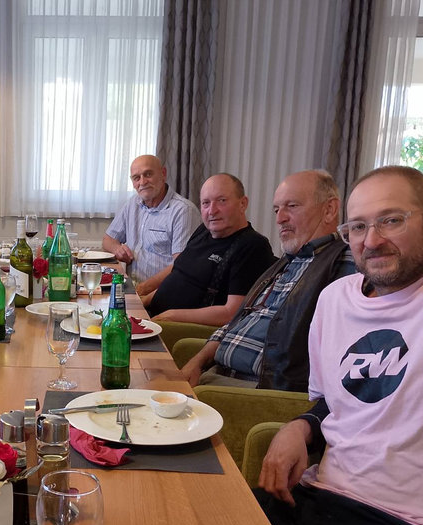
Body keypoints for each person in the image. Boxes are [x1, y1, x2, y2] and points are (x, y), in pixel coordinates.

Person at [256, 165, 423, 525]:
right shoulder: (334, 300)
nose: (372, 240)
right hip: (315, 496)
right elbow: (334, 404)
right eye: (357, 227)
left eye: (391, 220)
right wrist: (300, 427)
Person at [180, 169, 355, 392]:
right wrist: (197, 361)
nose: (280, 219)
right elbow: (238, 320)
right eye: (276, 209)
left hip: (251, 392)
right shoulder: (287, 262)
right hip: (214, 374)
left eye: (292, 206)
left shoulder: (344, 263)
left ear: (329, 209)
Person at [145, 173, 276, 323]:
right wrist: (142, 301)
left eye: (222, 201)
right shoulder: (203, 231)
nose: (212, 211)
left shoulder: (253, 246)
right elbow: (178, 277)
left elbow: (232, 313)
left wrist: (168, 317)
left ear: (243, 204)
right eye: (206, 203)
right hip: (155, 316)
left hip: (178, 328)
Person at [102, 155, 200, 288]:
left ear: (163, 174)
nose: (142, 182)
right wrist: (117, 249)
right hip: (133, 288)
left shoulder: (183, 211)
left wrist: (142, 290)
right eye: (136, 178)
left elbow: (181, 266)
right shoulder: (133, 203)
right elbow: (107, 240)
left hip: (164, 292)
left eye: (148, 174)